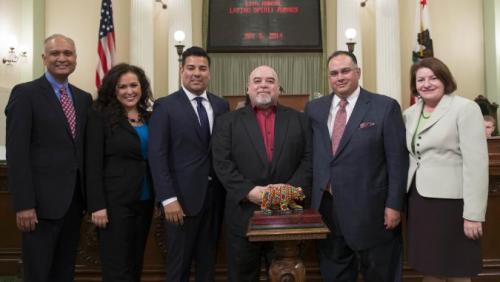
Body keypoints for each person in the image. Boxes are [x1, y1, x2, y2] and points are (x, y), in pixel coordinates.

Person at [305, 50, 408, 282]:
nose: (339, 77)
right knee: (335, 273)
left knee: (380, 273)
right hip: (328, 210)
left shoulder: (385, 107)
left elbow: (397, 161)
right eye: (333, 73)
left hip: (373, 212)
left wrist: (394, 205)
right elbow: (313, 156)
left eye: (345, 71)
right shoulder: (314, 109)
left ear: (358, 73)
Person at [5, 34, 92, 281]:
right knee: (38, 273)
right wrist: (24, 204)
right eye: (55, 54)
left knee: (64, 272)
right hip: (39, 207)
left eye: (68, 53)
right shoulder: (25, 94)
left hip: (74, 204)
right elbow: (17, 153)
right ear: (44, 58)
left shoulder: (83, 99)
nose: (62, 58)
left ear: (75, 58)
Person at [212, 65, 312, 281]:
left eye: (270, 81)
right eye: (257, 81)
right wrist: (249, 191)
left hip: (288, 214)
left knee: (287, 276)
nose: (263, 85)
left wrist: (290, 190)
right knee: (242, 275)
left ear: (279, 88)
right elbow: (222, 163)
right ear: (248, 88)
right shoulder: (227, 122)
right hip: (244, 213)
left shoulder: (300, 120)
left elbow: (309, 159)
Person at [148, 46, 229, 281]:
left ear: (209, 73)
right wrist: (168, 198)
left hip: (214, 200)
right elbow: (157, 155)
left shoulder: (221, 105)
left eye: (202, 68)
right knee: (178, 267)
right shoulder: (165, 106)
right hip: (180, 202)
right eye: (191, 68)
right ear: (181, 70)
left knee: (208, 266)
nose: (197, 73)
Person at [404, 57, 488, 282]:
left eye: (433, 77)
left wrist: (473, 214)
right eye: (420, 79)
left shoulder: (465, 108)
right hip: (420, 201)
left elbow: (477, 165)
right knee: (430, 265)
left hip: (452, 204)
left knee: (456, 268)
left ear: (445, 79)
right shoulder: (410, 113)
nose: (426, 83)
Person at [85, 63, 154, 281]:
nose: (129, 91)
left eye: (134, 85)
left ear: (142, 87)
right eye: (122, 87)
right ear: (113, 90)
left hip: (144, 200)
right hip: (113, 203)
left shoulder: (149, 117)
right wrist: (97, 205)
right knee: (117, 266)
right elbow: (92, 164)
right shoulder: (100, 117)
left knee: (135, 261)